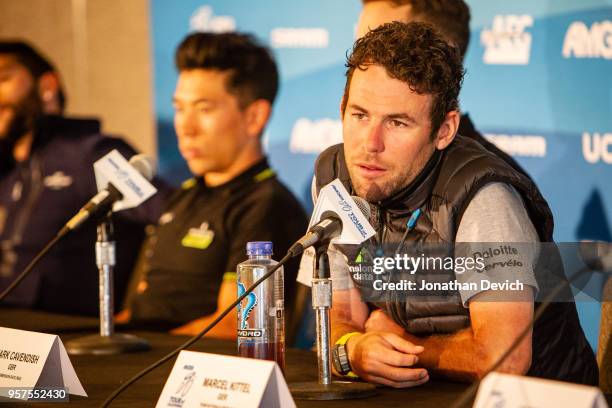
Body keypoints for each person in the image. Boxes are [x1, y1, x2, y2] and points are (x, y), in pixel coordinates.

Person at [298, 22, 598, 387]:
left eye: (397, 122)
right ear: (342, 108)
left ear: (444, 130)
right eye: (359, 115)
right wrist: (354, 349)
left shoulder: (484, 200)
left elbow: (503, 360)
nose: (369, 144)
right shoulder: (334, 180)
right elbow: (338, 318)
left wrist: (402, 345)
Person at [120, 32, 308, 340]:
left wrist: (137, 351)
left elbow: (238, 326)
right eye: (180, 108)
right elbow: (140, 309)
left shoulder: (266, 205)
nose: (186, 127)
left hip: (184, 373)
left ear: (255, 117)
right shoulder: (182, 196)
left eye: (204, 109)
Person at [0, 41, 167, 316]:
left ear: (47, 87)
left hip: (66, 336)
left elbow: (171, 216)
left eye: (4, 79)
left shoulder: (92, 153)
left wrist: (144, 302)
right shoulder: (8, 169)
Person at [356, 0, 530, 179]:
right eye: (361, 47)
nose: (362, 62)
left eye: (385, 48)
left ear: (438, 53)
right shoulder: (349, 170)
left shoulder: (494, 184)